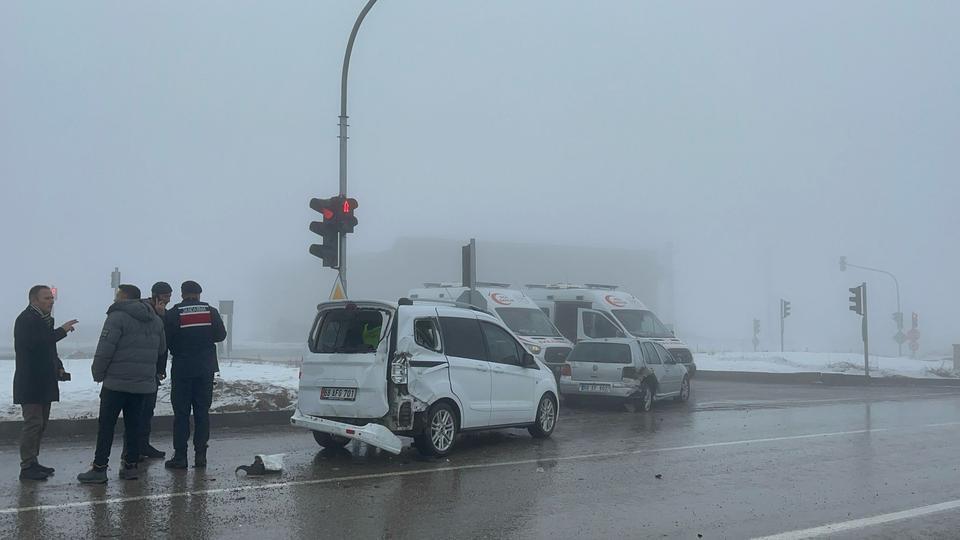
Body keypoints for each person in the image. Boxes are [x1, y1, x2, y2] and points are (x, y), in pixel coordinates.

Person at [77, 284, 166, 484]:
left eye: (118, 295)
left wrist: (98, 373)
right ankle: (130, 466)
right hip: (142, 385)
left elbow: (105, 348)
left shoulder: (116, 317)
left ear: (125, 297)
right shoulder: (155, 319)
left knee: (107, 426)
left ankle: (99, 468)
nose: (115, 299)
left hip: (116, 383)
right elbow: (161, 349)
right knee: (134, 425)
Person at [13, 285, 77, 481]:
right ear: (34, 300)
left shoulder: (44, 320)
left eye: (51, 298)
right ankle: (27, 466)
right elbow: (37, 342)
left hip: (45, 380)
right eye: (46, 298)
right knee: (33, 423)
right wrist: (62, 331)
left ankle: (33, 462)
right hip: (30, 381)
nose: (51, 301)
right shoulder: (26, 319)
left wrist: (58, 366)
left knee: (41, 424)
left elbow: (49, 349)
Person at [164, 280, 226, 469]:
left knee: (181, 414)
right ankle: (201, 456)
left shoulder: (174, 313)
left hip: (182, 369)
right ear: (199, 294)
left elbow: (166, 339)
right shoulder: (210, 312)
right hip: (205, 369)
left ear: (182, 294)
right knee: (201, 413)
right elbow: (220, 336)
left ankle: (180, 457)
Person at [138, 281, 173, 459]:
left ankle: (143, 445)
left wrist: (161, 368)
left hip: (153, 369)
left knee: (148, 410)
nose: (167, 300)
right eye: (165, 296)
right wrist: (160, 317)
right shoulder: (144, 309)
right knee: (139, 410)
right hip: (141, 369)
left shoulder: (163, 312)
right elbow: (153, 336)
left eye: (169, 296)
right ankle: (133, 449)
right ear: (155, 295)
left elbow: (163, 344)